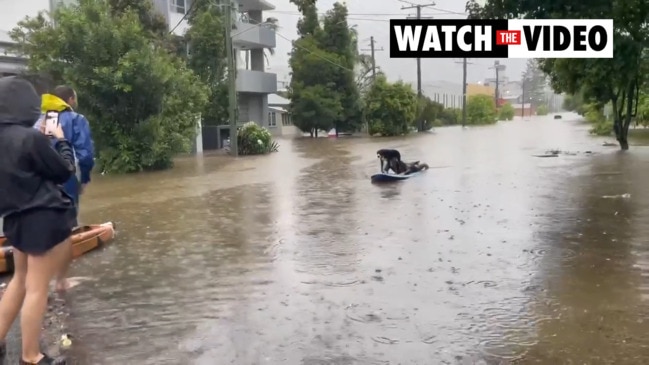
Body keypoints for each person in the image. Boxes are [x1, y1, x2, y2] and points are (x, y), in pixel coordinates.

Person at [0, 76, 74, 364]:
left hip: (14, 219)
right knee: (37, 288)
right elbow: (64, 170)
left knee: (19, 281)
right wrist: (60, 140)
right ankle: (31, 356)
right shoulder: (29, 138)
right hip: (42, 218)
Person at [34, 85, 95, 291]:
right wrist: (84, 179)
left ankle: (38, 279)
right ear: (70, 99)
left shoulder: (36, 121)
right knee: (65, 229)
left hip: (35, 184)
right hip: (67, 179)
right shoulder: (77, 120)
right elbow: (85, 155)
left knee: (41, 226)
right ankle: (61, 281)